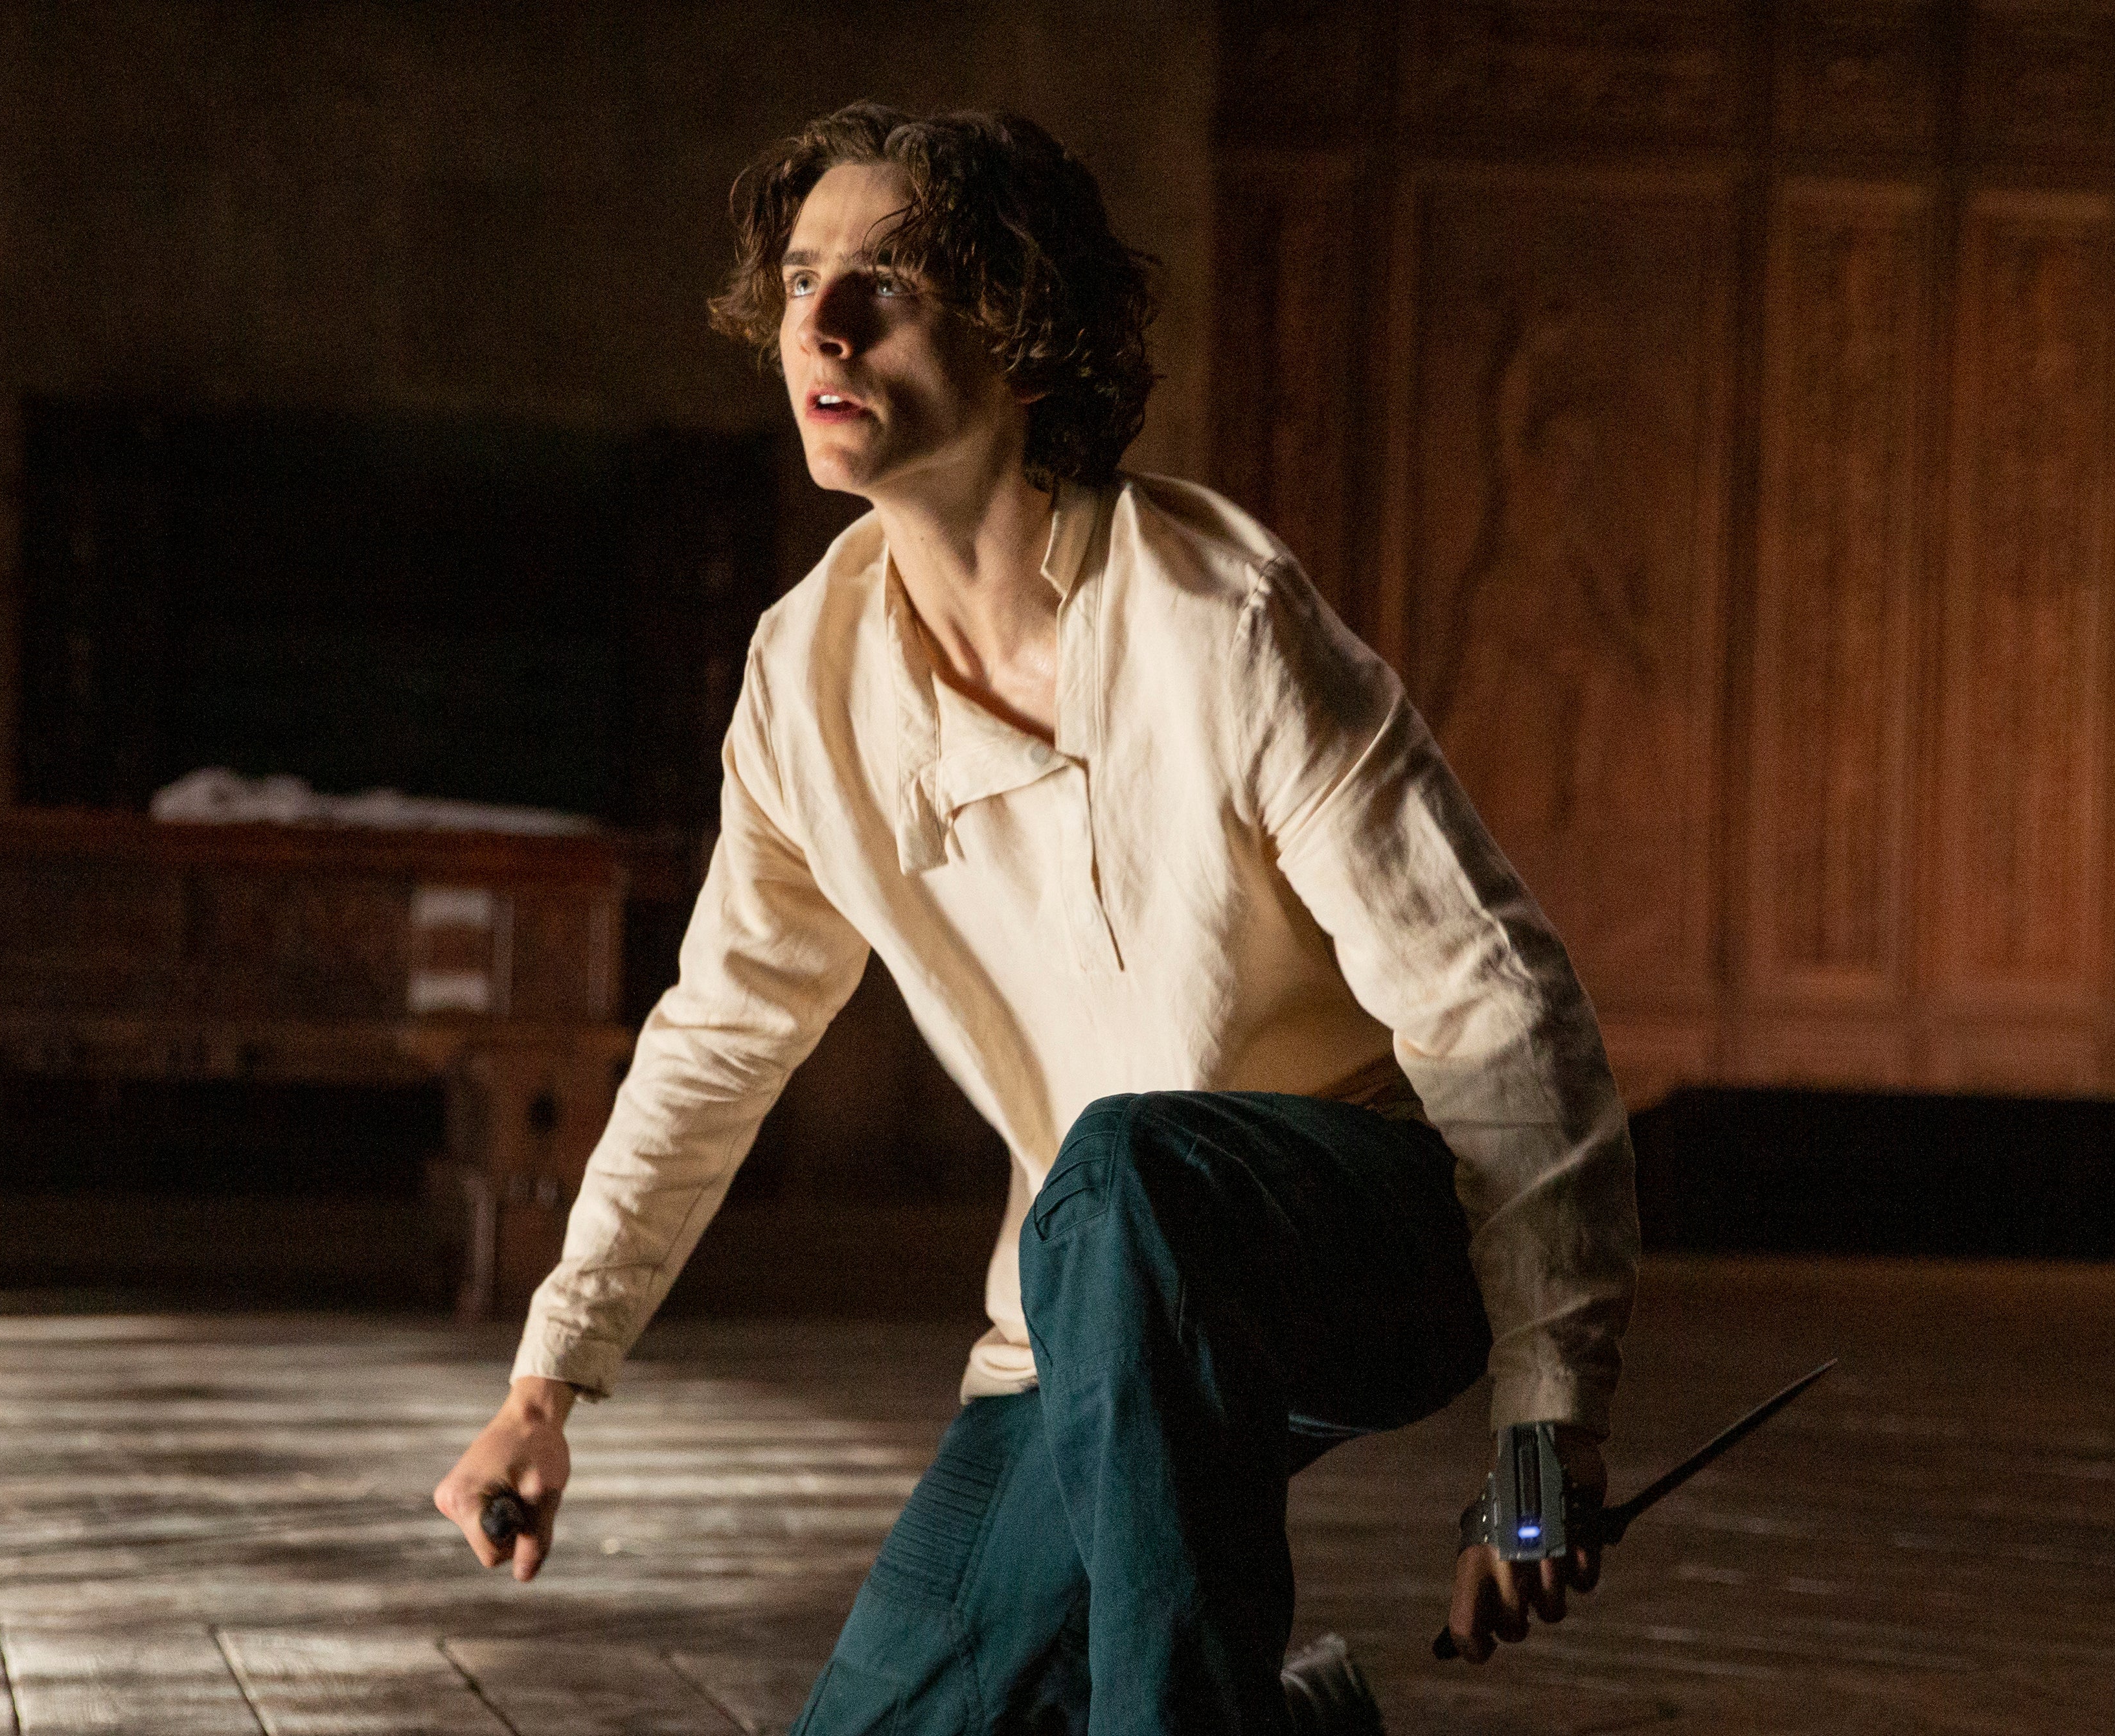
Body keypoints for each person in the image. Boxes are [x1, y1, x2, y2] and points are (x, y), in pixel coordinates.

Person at [433, 102, 1638, 1735]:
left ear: (1019, 331)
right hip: (1087, 1301)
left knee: (1124, 1171)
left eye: (886, 283)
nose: (821, 325)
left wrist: (1543, 1426)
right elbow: (718, 1033)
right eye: (798, 282)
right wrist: (547, 1378)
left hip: (1360, 1233)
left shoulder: (1217, 618)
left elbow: (1496, 1004)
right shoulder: (803, 677)